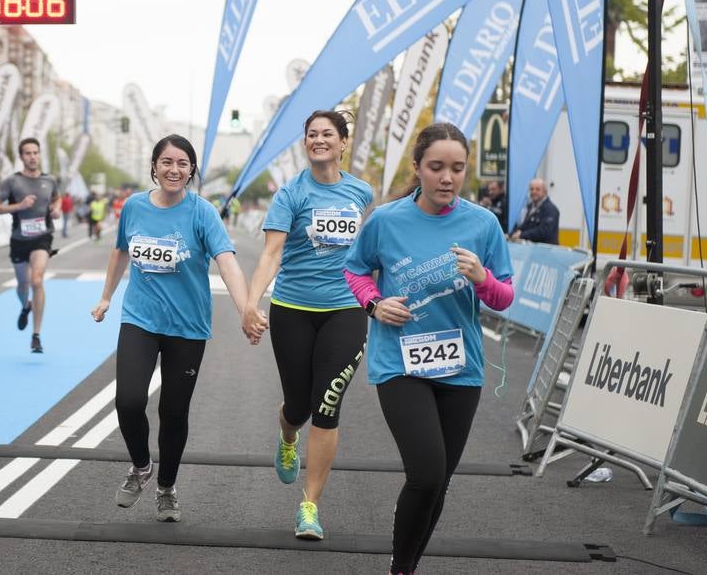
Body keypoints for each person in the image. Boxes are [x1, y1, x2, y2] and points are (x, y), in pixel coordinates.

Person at [343, 123, 513, 575]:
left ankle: (407, 566)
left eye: (457, 168)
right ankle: (400, 568)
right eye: (436, 167)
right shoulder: (386, 220)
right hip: (399, 361)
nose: (447, 178)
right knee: (427, 473)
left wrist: (483, 280)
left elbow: (504, 297)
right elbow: (355, 272)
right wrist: (375, 304)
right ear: (417, 168)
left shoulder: (483, 224)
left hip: (461, 369)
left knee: (439, 484)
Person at [91, 134, 262, 523]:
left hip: (187, 327)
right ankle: (141, 467)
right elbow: (121, 251)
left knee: (173, 411)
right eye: (167, 162)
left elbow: (227, 261)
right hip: (140, 319)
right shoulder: (134, 206)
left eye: (183, 163)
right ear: (154, 166)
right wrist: (106, 297)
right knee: (128, 401)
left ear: (191, 170)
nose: (174, 169)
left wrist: (246, 309)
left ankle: (166, 488)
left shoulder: (202, 213)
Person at [243, 110, 373, 539]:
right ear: (306, 143)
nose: (319, 140)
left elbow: (371, 252)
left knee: (327, 405)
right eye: (312, 135)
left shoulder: (361, 192)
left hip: (346, 311)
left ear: (342, 143)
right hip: (293, 310)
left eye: (327, 134)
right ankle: (286, 436)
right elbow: (271, 255)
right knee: (297, 407)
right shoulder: (291, 195)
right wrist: (251, 303)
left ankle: (309, 506)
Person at [0, 138, 62, 353]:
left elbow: (57, 198)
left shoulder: (49, 180)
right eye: (28, 153)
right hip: (19, 239)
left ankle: (36, 335)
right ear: (21, 157)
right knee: (23, 285)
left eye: (35, 153)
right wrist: (19, 206)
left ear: (39, 155)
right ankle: (26, 305)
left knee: (36, 280)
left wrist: (56, 209)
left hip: (42, 237)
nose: (32, 157)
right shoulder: (12, 182)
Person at [510, 178, 559, 244]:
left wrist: (521, 235)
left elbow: (544, 231)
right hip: (532, 249)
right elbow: (524, 226)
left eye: (537, 189)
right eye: (531, 189)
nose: (534, 192)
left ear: (545, 191)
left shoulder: (551, 209)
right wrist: (512, 234)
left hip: (546, 251)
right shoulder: (529, 206)